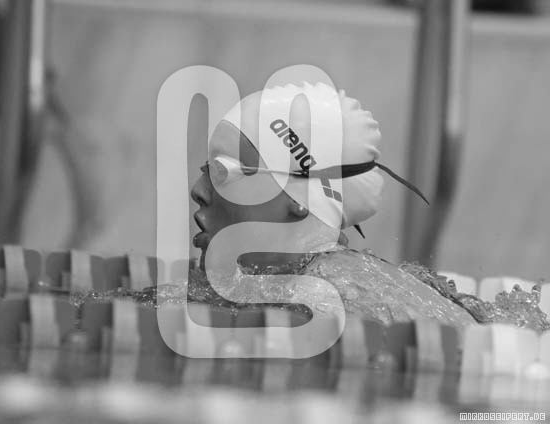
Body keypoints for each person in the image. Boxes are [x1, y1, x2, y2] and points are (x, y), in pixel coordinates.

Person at [189, 82, 477, 327]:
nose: (198, 190)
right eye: (205, 169)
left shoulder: (334, 301)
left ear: (298, 199)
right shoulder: (276, 290)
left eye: (222, 171)